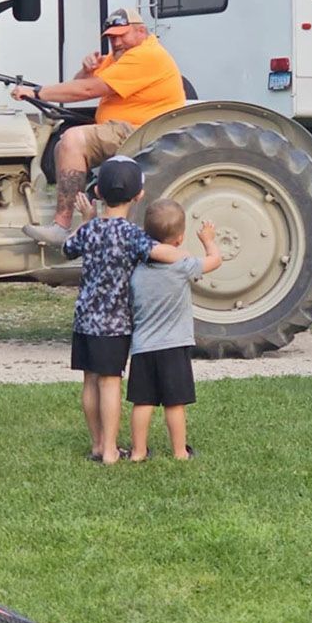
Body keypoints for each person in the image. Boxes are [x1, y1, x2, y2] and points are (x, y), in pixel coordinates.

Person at [11, 8, 186, 249]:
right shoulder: (119, 56)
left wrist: (38, 92)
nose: (115, 41)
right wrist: (86, 70)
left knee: (73, 139)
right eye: (111, 37)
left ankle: (61, 226)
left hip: (139, 131)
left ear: (141, 31)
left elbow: (87, 91)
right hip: (120, 127)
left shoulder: (146, 55)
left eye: (121, 35)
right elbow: (83, 82)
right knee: (63, 141)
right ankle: (74, 209)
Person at [63, 156, 183, 466]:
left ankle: (97, 444)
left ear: (98, 193)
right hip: (115, 323)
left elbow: (67, 248)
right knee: (110, 382)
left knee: (90, 381)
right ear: (139, 195)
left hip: (84, 320)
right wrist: (188, 252)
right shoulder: (131, 235)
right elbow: (163, 253)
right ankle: (111, 451)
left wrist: (88, 219)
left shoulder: (89, 231)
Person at [126, 198, 222, 462]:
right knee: (174, 403)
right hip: (174, 345)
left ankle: (138, 452)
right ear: (179, 240)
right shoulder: (181, 266)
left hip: (143, 346)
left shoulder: (137, 269)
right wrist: (208, 239)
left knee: (142, 402)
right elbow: (215, 261)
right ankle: (180, 452)